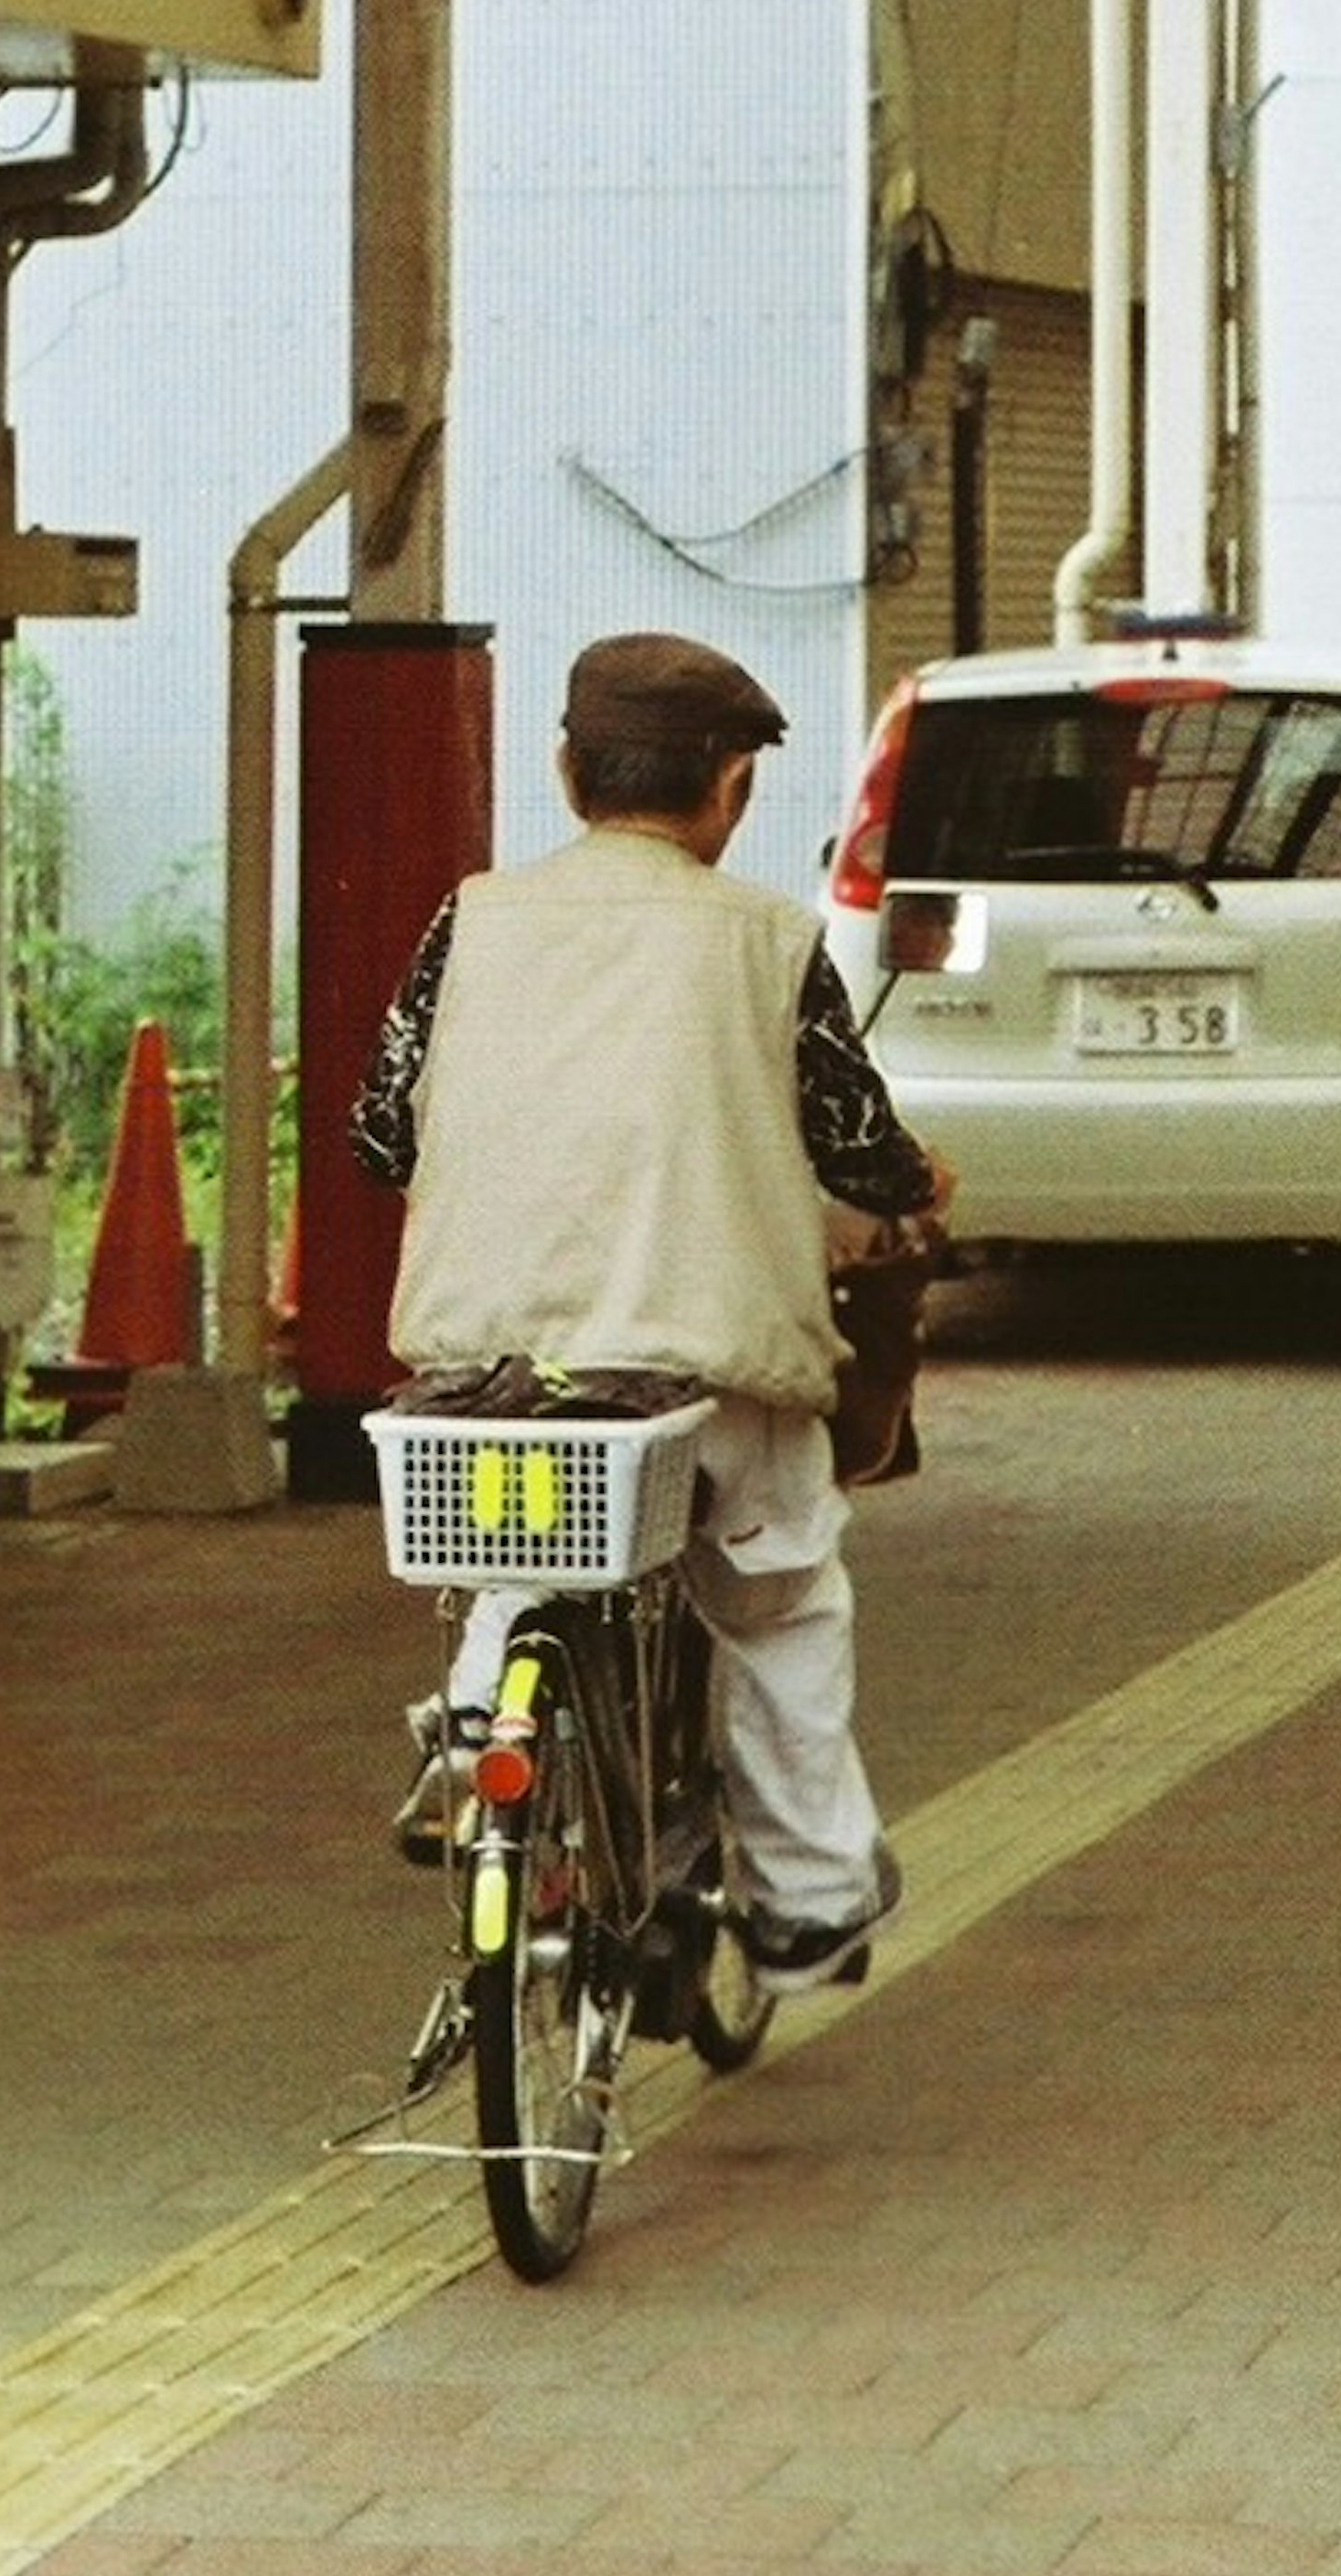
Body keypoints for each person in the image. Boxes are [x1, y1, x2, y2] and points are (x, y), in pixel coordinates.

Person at [351, 629, 948, 1977]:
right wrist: (917, 1183)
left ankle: (472, 1737)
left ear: (566, 770)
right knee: (781, 1592)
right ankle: (805, 1896)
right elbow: (856, 1149)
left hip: (490, 1380)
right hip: (703, 1373)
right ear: (731, 788)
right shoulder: (771, 942)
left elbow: (382, 1129)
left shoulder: (471, 919)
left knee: (518, 1553)